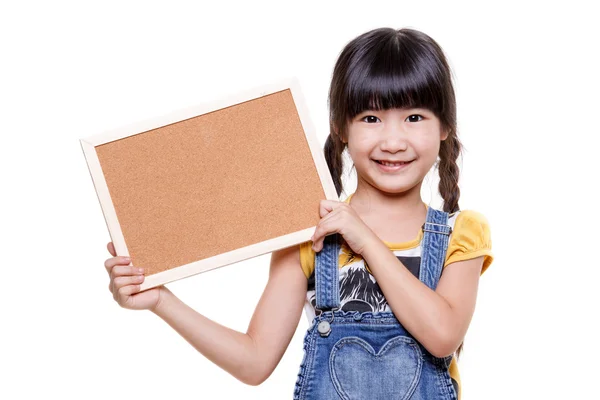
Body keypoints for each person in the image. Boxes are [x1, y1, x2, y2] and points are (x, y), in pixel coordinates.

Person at [104, 27, 493, 400]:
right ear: (341, 127)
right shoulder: (310, 235)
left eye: (414, 117)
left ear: (445, 127)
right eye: (370, 119)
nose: (393, 141)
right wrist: (161, 301)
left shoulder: (461, 232)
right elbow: (254, 361)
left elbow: (443, 336)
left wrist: (367, 243)